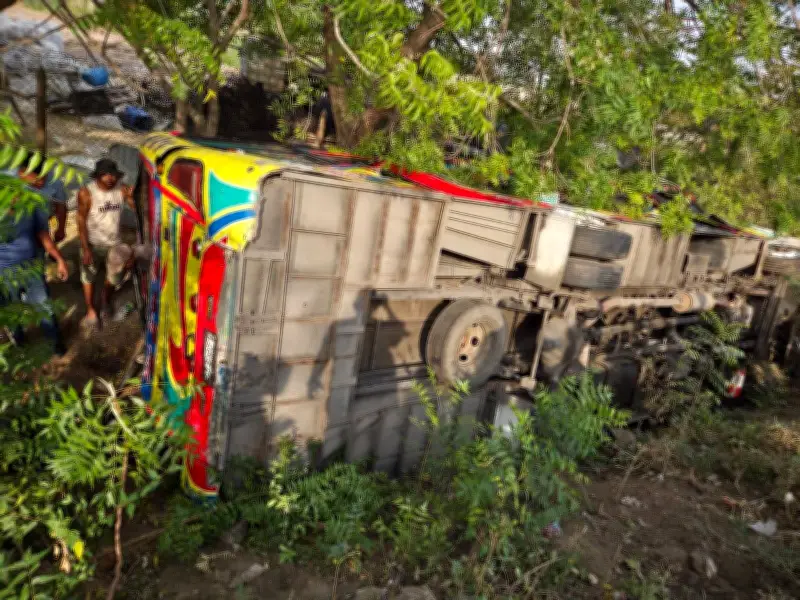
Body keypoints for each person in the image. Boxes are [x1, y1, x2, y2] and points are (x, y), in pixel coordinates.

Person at [0, 177, 69, 356]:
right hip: (4, 272)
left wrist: (59, 259)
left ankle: (55, 343)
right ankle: (19, 342)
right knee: (11, 309)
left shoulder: (32, 207)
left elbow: (43, 236)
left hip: (31, 268)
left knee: (44, 306)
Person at [77, 158, 136, 327]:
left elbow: (134, 207)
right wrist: (85, 248)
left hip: (114, 243)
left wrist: (131, 198)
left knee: (114, 277)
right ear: (97, 176)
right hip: (93, 243)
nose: (110, 179)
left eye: (113, 175)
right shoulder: (86, 193)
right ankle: (90, 310)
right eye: (105, 175)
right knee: (88, 277)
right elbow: (81, 220)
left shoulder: (121, 190)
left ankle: (105, 300)